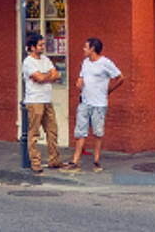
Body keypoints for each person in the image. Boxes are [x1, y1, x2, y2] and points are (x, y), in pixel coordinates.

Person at [61, 37, 123, 172]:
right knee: (80, 132)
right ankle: (75, 161)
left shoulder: (106, 63)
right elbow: (81, 76)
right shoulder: (85, 62)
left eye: (86, 47)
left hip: (99, 103)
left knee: (98, 133)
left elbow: (120, 77)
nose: (83, 50)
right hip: (84, 102)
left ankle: (96, 161)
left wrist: (109, 90)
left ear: (93, 49)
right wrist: (79, 81)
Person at [21, 31, 64, 172]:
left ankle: (54, 160)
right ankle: (35, 163)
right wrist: (46, 76)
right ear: (32, 47)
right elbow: (39, 78)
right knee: (34, 133)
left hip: (47, 99)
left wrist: (43, 77)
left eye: (43, 44)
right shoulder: (28, 62)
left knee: (52, 131)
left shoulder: (46, 60)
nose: (43, 47)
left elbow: (56, 75)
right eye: (40, 45)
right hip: (34, 101)